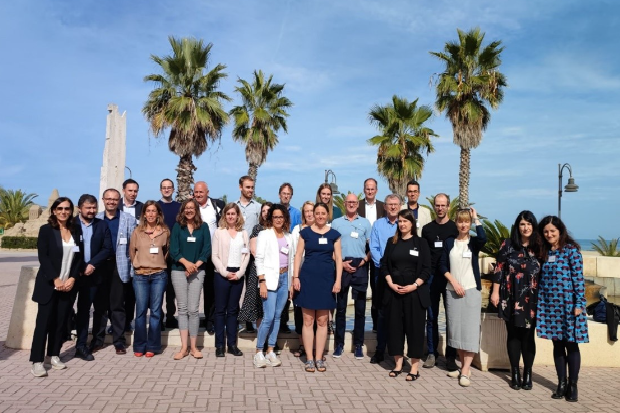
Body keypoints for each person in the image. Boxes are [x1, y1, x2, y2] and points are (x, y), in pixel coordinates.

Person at [536, 216, 588, 402]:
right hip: (550, 306)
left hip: (569, 306)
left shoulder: (571, 252)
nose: (549, 234)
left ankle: (573, 385)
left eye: (553, 231)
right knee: (557, 344)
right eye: (546, 232)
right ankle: (561, 383)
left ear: (560, 231)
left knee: (571, 345)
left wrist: (579, 304)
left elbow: (578, 280)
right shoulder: (545, 252)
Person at [30, 197, 83, 377]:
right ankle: (37, 361)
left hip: (67, 286)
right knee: (43, 324)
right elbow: (43, 257)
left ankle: (53, 355)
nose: (63, 212)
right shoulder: (46, 230)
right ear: (53, 210)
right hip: (49, 285)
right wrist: (55, 279)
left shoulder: (76, 230)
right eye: (59, 208)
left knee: (60, 323)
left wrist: (73, 278)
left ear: (71, 211)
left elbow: (79, 258)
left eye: (67, 209)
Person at [491, 211, 542, 390]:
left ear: (533, 226)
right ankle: (514, 373)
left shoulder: (539, 246)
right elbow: (499, 269)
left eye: (529, 224)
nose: (525, 227)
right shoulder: (508, 244)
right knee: (513, 336)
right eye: (522, 224)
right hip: (510, 297)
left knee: (528, 337)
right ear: (517, 226)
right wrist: (495, 293)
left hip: (532, 299)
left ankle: (527, 373)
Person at [439, 207, 487, 387]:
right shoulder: (449, 242)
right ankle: (462, 365)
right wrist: (454, 283)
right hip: (453, 291)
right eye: (461, 221)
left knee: (470, 331)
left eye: (466, 221)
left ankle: (466, 369)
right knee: (456, 331)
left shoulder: (473, 243)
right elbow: (442, 265)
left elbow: (483, 238)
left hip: (471, 291)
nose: (463, 224)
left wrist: (476, 218)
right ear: (456, 223)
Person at [293, 202, 343, 373]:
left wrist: (338, 281)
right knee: (308, 321)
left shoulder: (334, 234)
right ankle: (309, 359)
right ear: (313, 214)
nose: (320, 216)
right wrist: (295, 277)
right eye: (318, 213)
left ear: (327, 214)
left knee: (322, 321)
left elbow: (339, 259)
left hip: (326, 281)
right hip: (307, 280)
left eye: (323, 213)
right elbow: (298, 255)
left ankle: (319, 358)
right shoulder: (304, 233)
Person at [382, 210, 431, 381]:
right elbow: (384, 266)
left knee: (415, 330)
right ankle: (398, 364)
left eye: (405, 221)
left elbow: (427, 269)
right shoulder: (392, 242)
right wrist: (390, 283)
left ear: (412, 223)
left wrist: (414, 285)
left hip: (414, 293)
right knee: (395, 329)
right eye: (400, 221)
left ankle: (415, 368)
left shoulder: (421, 243)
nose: (402, 224)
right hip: (394, 292)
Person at [93, 189, 137, 355]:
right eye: (108, 199)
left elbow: (134, 247)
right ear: (103, 200)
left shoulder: (129, 220)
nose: (111, 202)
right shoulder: (95, 218)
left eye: (115, 199)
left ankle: (119, 341)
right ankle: (98, 340)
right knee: (99, 306)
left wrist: (132, 268)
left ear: (119, 200)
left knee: (117, 306)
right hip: (98, 267)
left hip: (119, 267)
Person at [253, 204, 295, 368]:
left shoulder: (289, 237)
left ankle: (270, 350)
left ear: (285, 218)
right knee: (268, 316)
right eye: (275, 217)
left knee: (277, 316)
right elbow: (259, 258)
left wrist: (291, 283)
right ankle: (258, 352)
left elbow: (291, 260)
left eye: (281, 217)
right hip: (269, 279)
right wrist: (261, 281)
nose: (278, 219)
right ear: (271, 218)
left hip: (285, 278)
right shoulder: (264, 234)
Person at [169, 199, 211, 360]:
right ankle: (183, 347)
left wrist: (194, 266)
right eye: (186, 208)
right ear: (182, 210)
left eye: (192, 208)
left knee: (193, 310)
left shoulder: (204, 227)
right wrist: (187, 264)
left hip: (198, 271)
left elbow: (206, 249)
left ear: (196, 210)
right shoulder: (177, 227)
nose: (189, 210)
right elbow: (174, 250)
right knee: (183, 309)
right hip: (179, 271)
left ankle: (194, 347)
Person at [331, 194, 372, 360]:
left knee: (360, 310)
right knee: (340, 308)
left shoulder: (365, 223)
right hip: (342, 264)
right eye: (349, 202)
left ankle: (358, 345)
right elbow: (331, 247)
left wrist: (364, 260)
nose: (352, 204)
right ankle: (339, 344)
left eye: (354, 202)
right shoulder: (336, 223)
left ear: (357, 204)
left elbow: (372, 245)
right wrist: (341, 263)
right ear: (344, 204)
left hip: (360, 266)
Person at [421, 193, 458, 370]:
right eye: (437, 205)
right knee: (432, 318)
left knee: (451, 318)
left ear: (448, 206)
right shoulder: (427, 229)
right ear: (434, 207)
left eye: (443, 205)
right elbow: (424, 255)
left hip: (451, 279)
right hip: (431, 279)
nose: (440, 208)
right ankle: (431, 353)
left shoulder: (455, 228)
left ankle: (451, 356)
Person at [73, 194, 112, 362]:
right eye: (88, 208)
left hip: (96, 274)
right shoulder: (71, 224)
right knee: (80, 311)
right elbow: (69, 248)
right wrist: (81, 266)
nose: (91, 211)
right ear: (79, 208)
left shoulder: (101, 225)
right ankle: (79, 344)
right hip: (75, 274)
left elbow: (107, 248)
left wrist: (92, 265)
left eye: (94, 207)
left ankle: (96, 341)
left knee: (100, 310)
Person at [128, 201, 170, 357]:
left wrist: (157, 262)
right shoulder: (137, 232)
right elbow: (132, 251)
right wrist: (138, 264)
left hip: (159, 275)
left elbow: (166, 251)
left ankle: (152, 345)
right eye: (148, 211)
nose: (151, 214)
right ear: (144, 214)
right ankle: (139, 345)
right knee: (140, 312)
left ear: (158, 214)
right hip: (141, 276)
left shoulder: (165, 232)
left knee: (156, 312)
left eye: (154, 211)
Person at [211, 203, 250, 357]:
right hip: (222, 274)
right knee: (220, 310)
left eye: (233, 214)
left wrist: (240, 273)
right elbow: (214, 255)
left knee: (233, 310)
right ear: (224, 216)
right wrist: (224, 271)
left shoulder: (244, 233)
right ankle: (219, 345)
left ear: (238, 215)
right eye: (228, 214)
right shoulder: (219, 233)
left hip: (237, 275)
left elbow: (246, 255)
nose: (231, 216)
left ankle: (232, 344)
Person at [369, 194, 402, 363]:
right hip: (381, 274)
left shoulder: (404, 224)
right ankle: (380, 350)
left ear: (400, 205)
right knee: (381, 312)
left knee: (399, 313)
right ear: (385, 206)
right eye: (390, 204)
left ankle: (398, 351)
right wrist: (384, 267)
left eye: (396, 204)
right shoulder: (377, 225)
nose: (393, 207)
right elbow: (374, 248)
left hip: (401, 275)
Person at [194, 181, 224, 333]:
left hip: (212, 254)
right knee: (194, 288)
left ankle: (210, 320)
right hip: (194, 255)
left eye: (201, 192)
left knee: (210, 289)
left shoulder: (216, 206)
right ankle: (193, 319)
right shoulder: (190, 207)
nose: (198, 195)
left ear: (207, 192)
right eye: (196, 192)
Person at [239, 202, 272, 332]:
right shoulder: (257, 228)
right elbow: (254, 250)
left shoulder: (277, 228)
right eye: (263, 211)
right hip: (257, 269)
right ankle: (259, 333)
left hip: (273, 269)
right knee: (257, 301)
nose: (265, 213)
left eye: (268, 210)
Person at [357, 177, 385, 332]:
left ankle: (376, 324)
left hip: (377, 252)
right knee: (360, 288)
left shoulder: (383, 207)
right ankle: (359, 326)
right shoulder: (358, 206)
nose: (369, 191)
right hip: (360, 250)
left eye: (372, 188)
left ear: (376, 190)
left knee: (376, 288)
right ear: (364, 190)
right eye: (367, 188)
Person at [235, 176, 261, 333]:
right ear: (240, 187)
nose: (250, 190)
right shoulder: (234, 206)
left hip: (252, 254)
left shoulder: (258, 207)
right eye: (247, 187)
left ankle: (250, 320)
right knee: (237, 287)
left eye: (252, 187)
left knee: (251, 289)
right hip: (236, 253)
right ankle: (237, 319)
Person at [290, 201, 314, 357]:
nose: (310, 214)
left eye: (312, 210)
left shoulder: (323, 229)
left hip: (316, 275)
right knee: (299, 310)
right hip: (300, 274)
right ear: (303, 214)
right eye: (306, 211)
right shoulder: (296, 230)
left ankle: (314, 347)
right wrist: (294, 277)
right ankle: (302, 344)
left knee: (315, 310)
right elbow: (293, 254)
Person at [118, 178, 142, 332]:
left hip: (135, 256)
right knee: (117, 293)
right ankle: (116, 324)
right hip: (118, 256)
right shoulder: (115, 205)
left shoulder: (142, 207)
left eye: (135, 191)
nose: (133, 193)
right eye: (130, 190)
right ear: (124, 191)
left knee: (131, 294)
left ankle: (127, 322)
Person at [158, 178, 181, 330]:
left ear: (173, 190)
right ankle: (158, 316)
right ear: (161, 190)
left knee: (172, 288)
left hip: (174, 253)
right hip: (158, 253)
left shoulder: (179, 207)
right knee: (158, 287)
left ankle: (170, 316)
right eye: (164, 188)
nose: (167, 190)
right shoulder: (155, 206)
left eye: (169, 187)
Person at [278, 182, 301, 333]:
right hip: (278, 252)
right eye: (284, 193)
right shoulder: (276, 210)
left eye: (288, 194)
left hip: (292, 252)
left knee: (288, 291)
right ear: (280, 194)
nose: (286, 196)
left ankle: (284, 322)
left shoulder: (297, 213)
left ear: (291, 196)